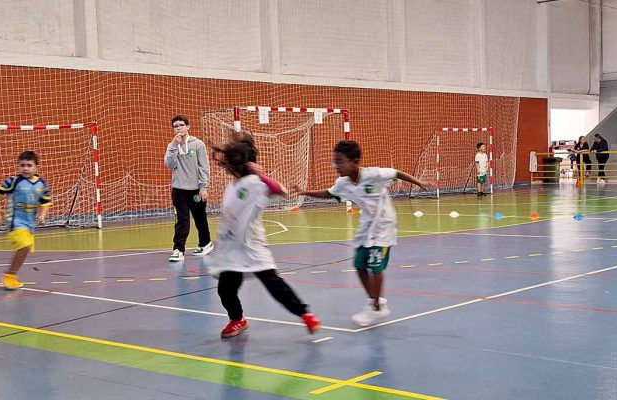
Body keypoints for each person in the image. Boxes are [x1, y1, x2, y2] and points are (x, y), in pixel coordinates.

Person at [291, 141, 429, 327]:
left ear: (355, 161)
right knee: (359, 264)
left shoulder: (373, 174)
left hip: (384, 225)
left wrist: (419, 182)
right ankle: (375, 301)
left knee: (375, 265)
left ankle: (376, 307)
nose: (336, 166)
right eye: (335, 162)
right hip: (367, 225)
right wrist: (305, 192)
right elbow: (328, 193)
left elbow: (396, 173)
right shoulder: (343, 183)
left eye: (340, 162)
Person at [203, 137, 320, 338]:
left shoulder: (254, 183)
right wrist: (220, 241)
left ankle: (305, 314)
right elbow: (231, 217)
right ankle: (237, 319)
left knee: (274, 285)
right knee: (225, 288)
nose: (227, 166)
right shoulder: (232, 186)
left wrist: (262, 175)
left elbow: (281, 191)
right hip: (232, 247)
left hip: (252, 246)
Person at [0, 151, 52, 290]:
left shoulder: (41, 184)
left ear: (37, 167)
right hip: (15, 221)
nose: (25, 168)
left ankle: (11, 275)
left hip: (29, 224)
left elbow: (46, 202)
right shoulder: (13, 181)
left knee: (24, 251)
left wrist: (42, 215)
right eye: (22, 165)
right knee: (24, 246)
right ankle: (8, 275)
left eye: (29, 165)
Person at [165, 115, 212, 262]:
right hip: (179, 190)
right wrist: (173, 146)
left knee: (200, 217)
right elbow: (169, 165)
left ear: (188, 126)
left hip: (195, 190)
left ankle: (205, 243)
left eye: (181, 125)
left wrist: (203, 187)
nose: (178, 128)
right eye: (175, 126)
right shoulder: (172, 146)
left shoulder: (198, 144)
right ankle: (178, 249)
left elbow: (204, 166)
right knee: (182, 219)